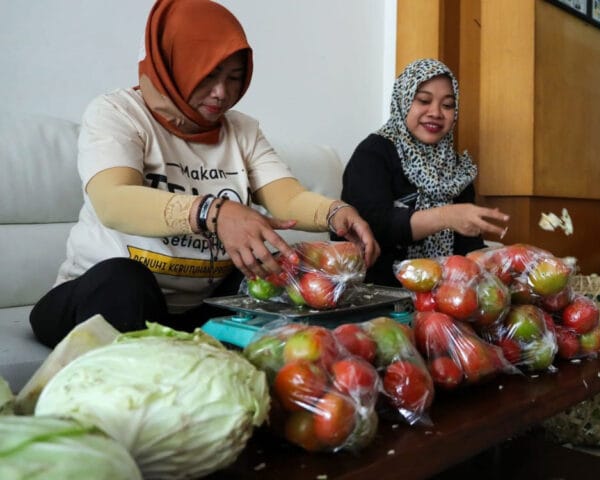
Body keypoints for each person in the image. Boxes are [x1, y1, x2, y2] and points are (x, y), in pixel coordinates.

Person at [29, 0, 379, 348]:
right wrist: (213, 212)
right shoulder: (117, 113)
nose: (222, 93)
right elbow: (112, 200)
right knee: (123, 279)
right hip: (101, 300)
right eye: (208, 74)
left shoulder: (242, 131)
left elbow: (286, 198)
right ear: (174, 63)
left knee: (265, 279)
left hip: (196, 310)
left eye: (234, 78)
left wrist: (335, 213)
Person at [337, 58, 509, 287]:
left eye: (447, 105)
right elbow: (374, 225)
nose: (436, 112)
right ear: (403, 100)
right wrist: (446, 216)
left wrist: (507, 264)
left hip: (444, 298)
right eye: (424, 100)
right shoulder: (374, 153)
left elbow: (468, 251)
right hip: (378, 294)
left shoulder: (456, 170)